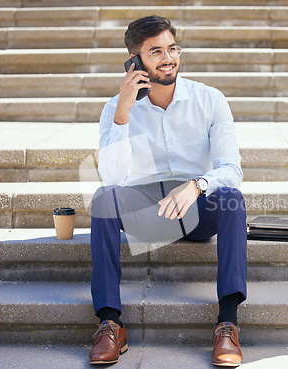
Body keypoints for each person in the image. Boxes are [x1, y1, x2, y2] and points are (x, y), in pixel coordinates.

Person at [88, 15, 248, 367]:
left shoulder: (210, 99)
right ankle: (110, 323)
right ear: (135, 61)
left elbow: (231, 169)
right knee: (103, 200)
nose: (168, 58)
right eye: (155, 51)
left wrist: (196, 185)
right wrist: (123, 112)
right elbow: (111, 178)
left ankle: (228, 323)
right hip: (146, 213)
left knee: (233, 198)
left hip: (196, 210)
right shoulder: (115, 109)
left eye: (172, 48)